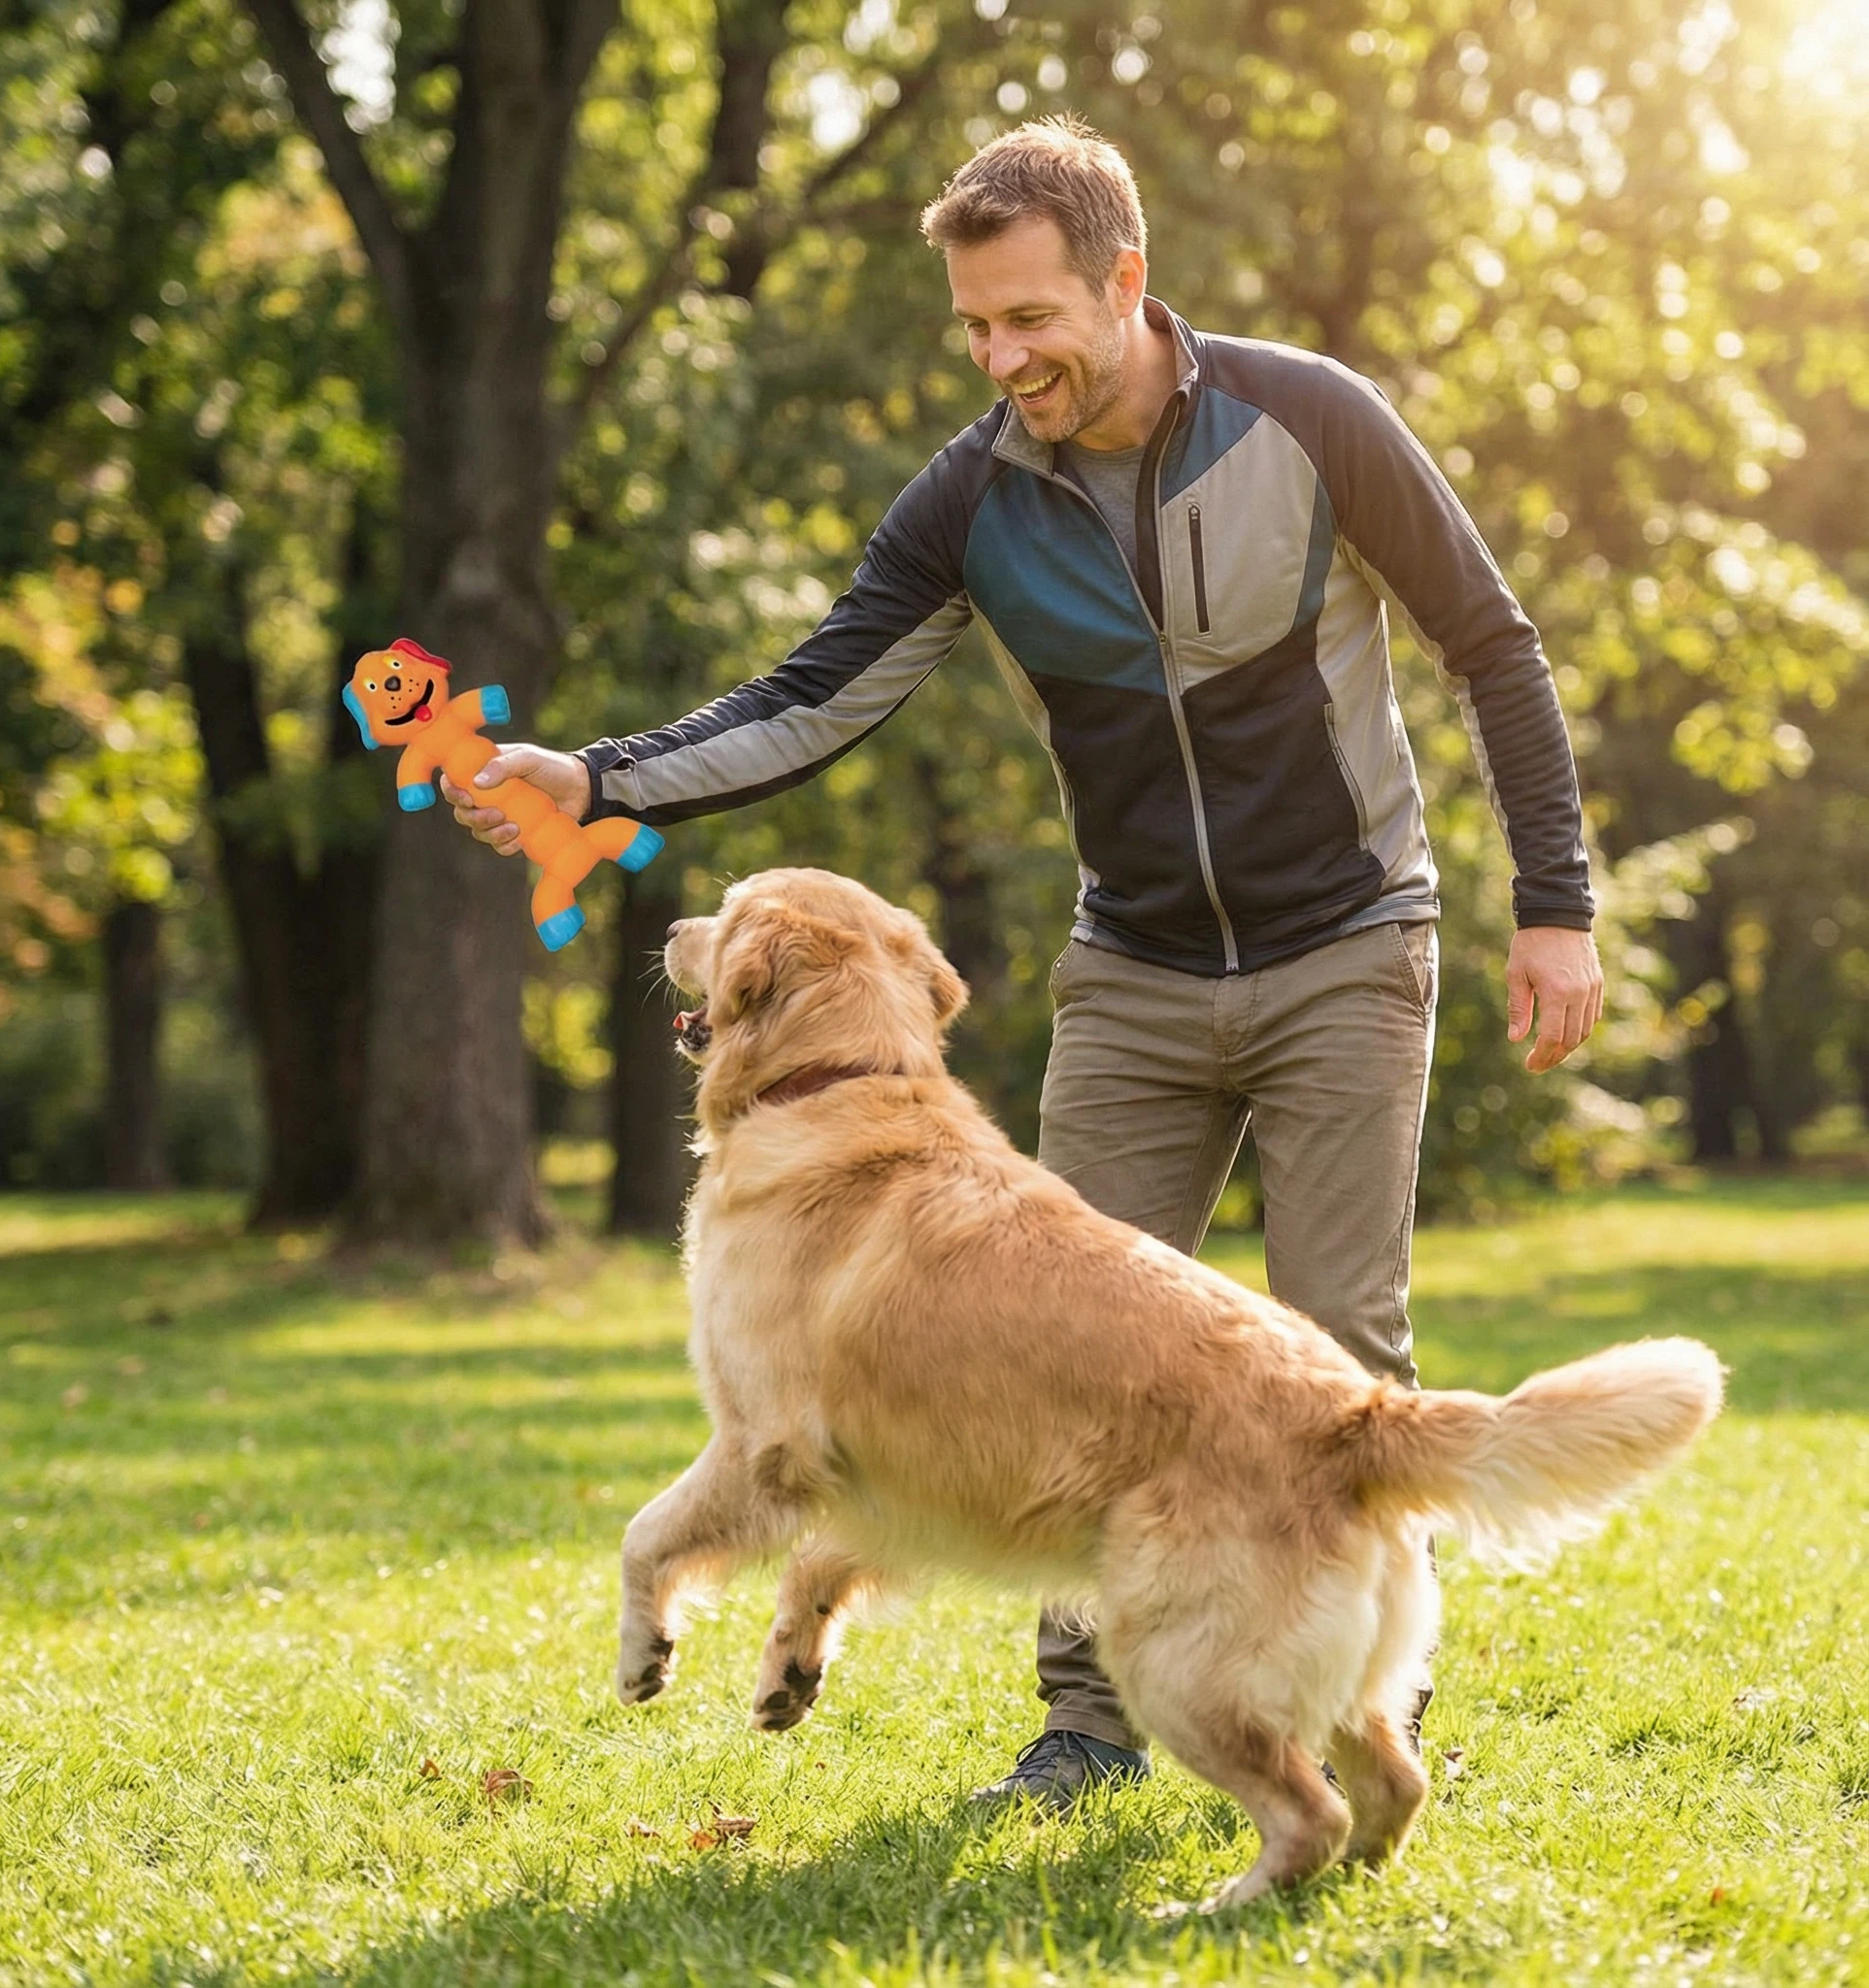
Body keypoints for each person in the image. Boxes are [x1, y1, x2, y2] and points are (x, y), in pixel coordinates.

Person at [444, 116, 1604, 1807]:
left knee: (1341, 1345)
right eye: (976, 329)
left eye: (1031, 320)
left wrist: (1554, 898)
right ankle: (1084, 1730)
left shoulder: (1309, 420)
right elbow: (814, 696)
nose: (1003, 360)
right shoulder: (976, 499)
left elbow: (1492, 646)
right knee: (1047, 1345)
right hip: (1131, 970)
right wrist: (599, 779)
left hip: (1349, 941)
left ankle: (1356, 1720)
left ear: (1124, 283)